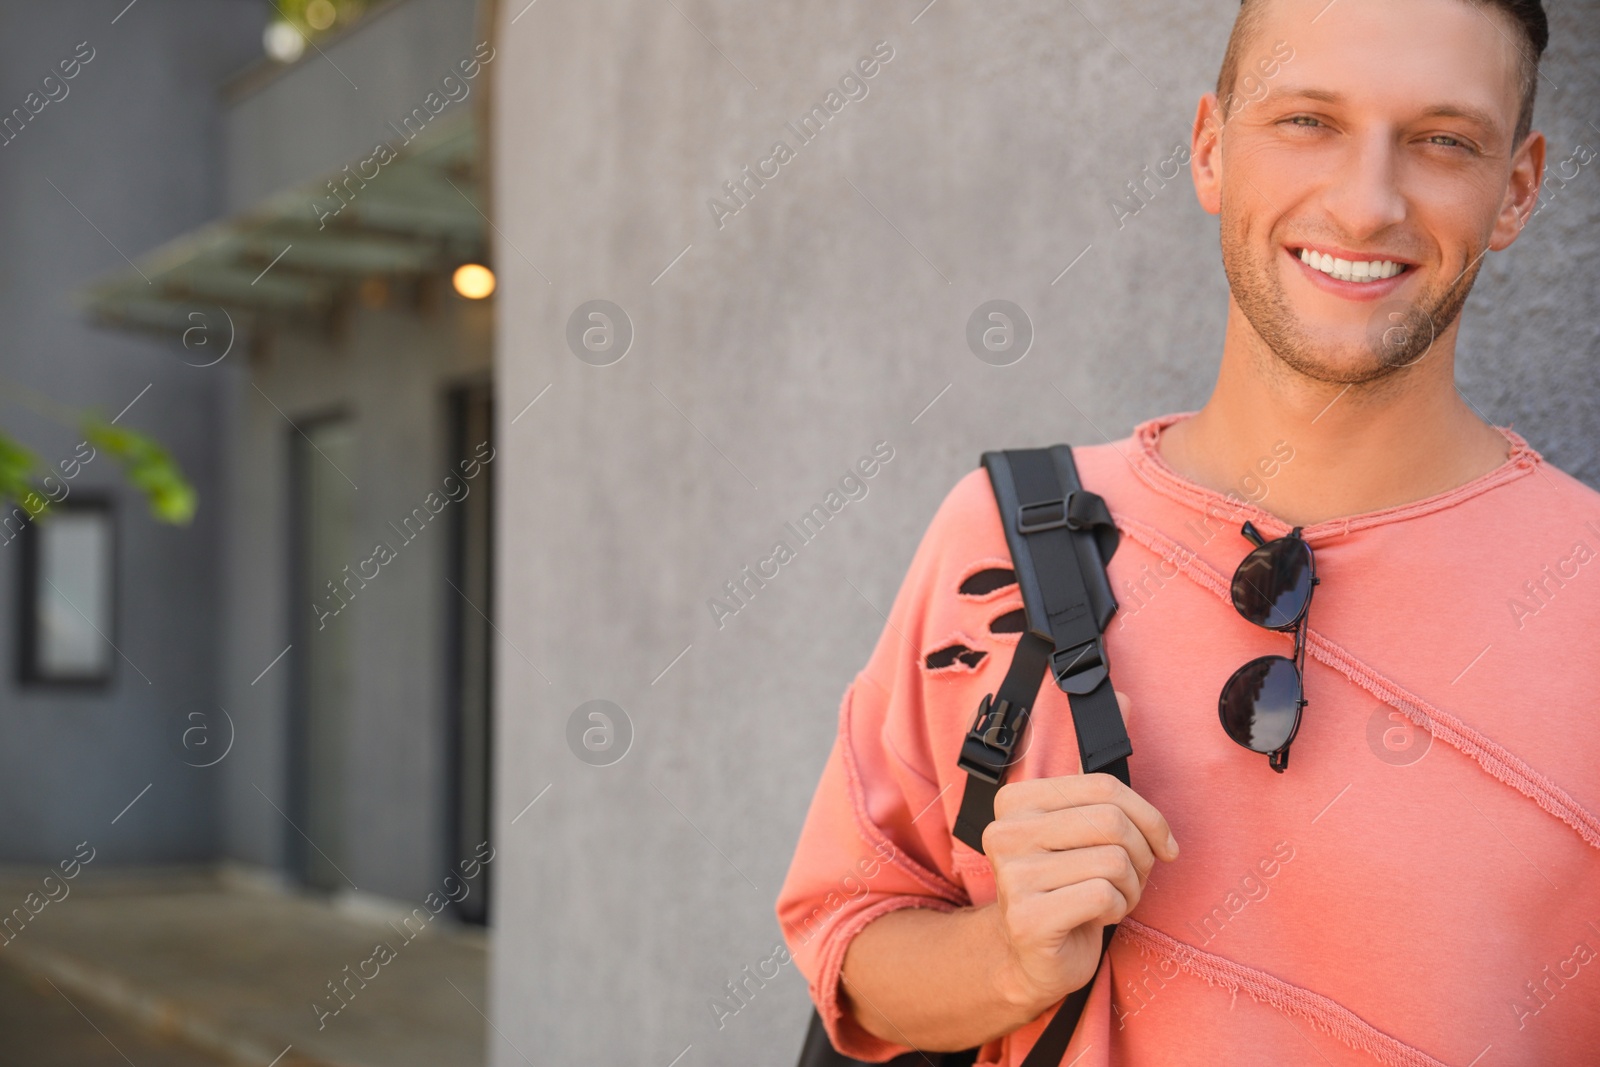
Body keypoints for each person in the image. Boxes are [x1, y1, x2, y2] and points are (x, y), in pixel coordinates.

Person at [776, 0, 1600, 1063]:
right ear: (1211, 150)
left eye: (1443, 140)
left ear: (1516, 189)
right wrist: (1008, 958)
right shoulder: (1004, 535)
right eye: (1307, 120)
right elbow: (856, 958)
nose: (1364, 201)